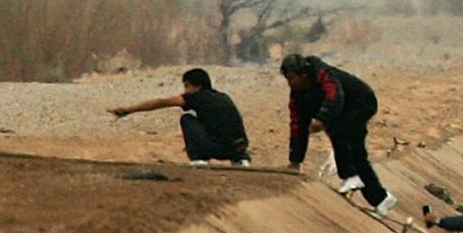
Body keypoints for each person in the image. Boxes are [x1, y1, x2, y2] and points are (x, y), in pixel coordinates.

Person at [282, 53, 392, 213]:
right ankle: (381, 199)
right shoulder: (297, 97)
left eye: (292, 77)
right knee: (357, 153)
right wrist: (295, 161)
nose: (290, 83)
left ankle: (350, 176)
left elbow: (335, 95)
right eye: (287, 79)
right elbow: (297, 127)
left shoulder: (321, 73)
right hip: (344, 112)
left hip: (362, 101)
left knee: (338, 130)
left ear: (303, 74)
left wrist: (322, 118)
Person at [108, 67, 249, 166]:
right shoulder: (223, 96)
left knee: (186, 119)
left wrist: (128, 110)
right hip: (240, 148)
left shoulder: (196, 97)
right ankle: (240, 160)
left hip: (219, 150)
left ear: (197, 86)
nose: (185, 90)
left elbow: (161, 103)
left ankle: (199, 160)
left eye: (187, 86)